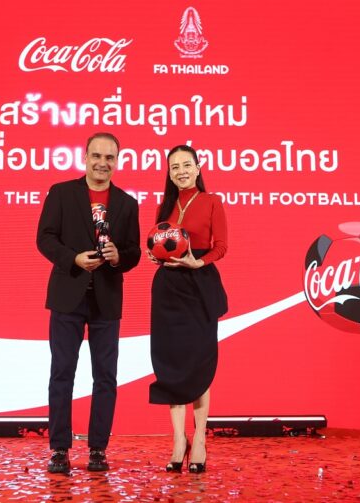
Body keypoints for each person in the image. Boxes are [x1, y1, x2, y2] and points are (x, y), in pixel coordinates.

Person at [37, 132, 141, 474]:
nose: (102, 163)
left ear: (117, 161)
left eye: (109, 157)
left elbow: (134, 252)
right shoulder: (61, 193)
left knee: (106, 377)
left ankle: (98, 449)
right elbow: (45, 239)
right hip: (67, 295)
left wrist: (118, 257)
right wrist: (74, 258)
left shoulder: (127, 203)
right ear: (85, 157)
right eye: (97, 156)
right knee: (62, 373)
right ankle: (59, 449)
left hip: (106, 300)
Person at [147, 144, 228, 474]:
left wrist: (199, 262)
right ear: (169, 173)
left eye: (186, 165)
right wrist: (155, 255)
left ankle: (200, 441)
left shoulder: (212, 202)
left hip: (199, 286)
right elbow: (158, 243)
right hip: (168, 289)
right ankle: (178, 440)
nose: (180, 171)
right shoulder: (164, 206)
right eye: (174, 167)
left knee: (198, 364)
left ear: (198, 168)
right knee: (172, 364)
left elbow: (222, 246)